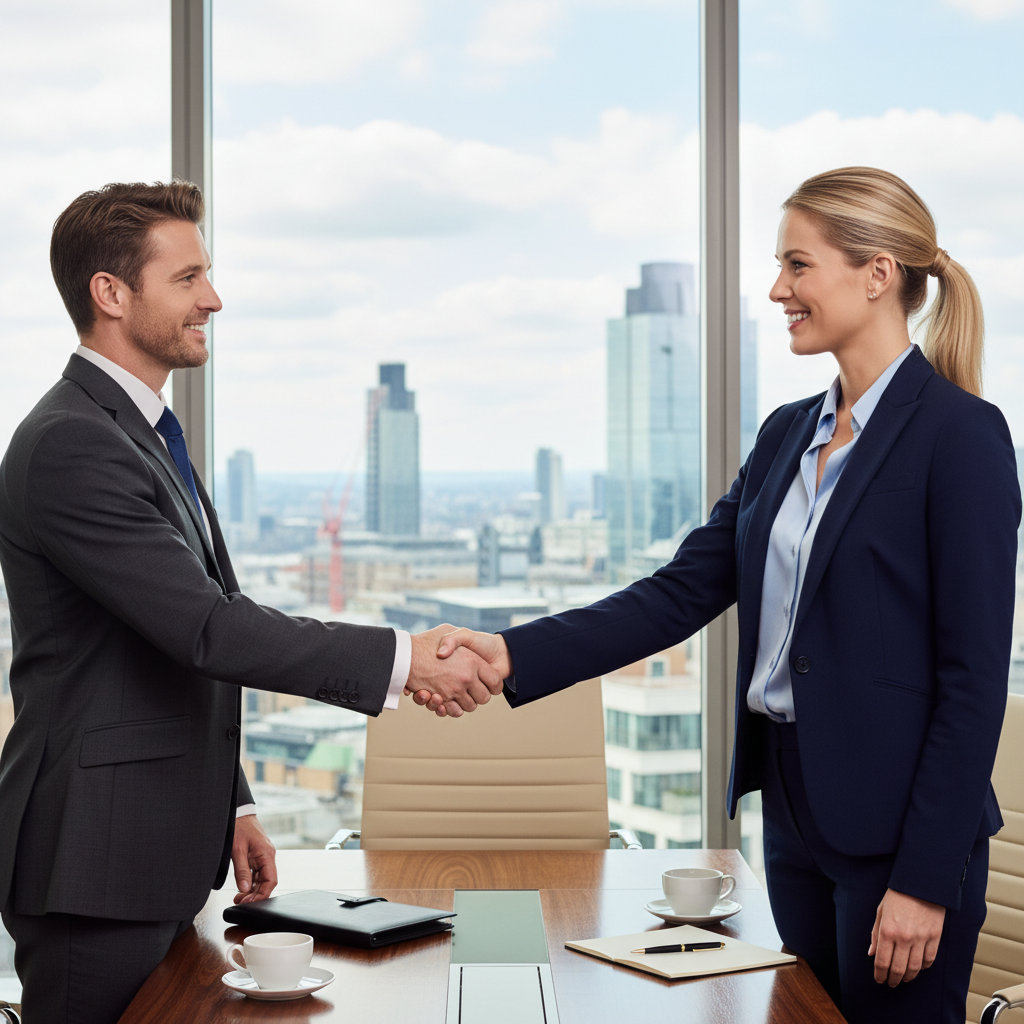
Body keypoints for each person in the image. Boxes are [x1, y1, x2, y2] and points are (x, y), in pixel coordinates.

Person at [415, 167, 1020, 1023]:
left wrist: (924, 880)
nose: (778, 290)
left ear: (877, 274)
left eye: (798, 266)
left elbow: (972, 680)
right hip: (796, 816)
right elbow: (677, 593)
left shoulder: (960, 435)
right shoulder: (786, 434)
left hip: (901, 832)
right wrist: (512, 652)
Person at [0, 180, 501, 1024]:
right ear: (110, 293)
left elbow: (167, 640)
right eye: (188, 278)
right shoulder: (73, 444)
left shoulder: (137, 431)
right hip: (94, 862)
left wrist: (228, 800)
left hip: (142, 847)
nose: (213, 299)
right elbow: (208, 629)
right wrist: (406, 658)